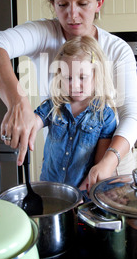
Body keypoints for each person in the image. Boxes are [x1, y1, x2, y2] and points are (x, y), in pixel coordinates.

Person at [0, 0, 137, 190]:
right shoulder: (44, 33)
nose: (72, 15)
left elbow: (131, 113)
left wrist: (108, 162)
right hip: (60, 170)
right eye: (62, 4)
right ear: (53, 3)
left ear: (98, 4)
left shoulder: (117, 49)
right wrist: (18, 102)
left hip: (112, 158)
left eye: (83, 4)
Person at [34, 36, 117, 188]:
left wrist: (77, 196)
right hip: (48, 190)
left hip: (81, 198)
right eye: (68, 78)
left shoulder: (105, 116)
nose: (74, 85)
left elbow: (98, 168)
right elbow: (32, 123)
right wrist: (22, 127)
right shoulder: (54, 105)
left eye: (82, 77)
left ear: (96, 75)